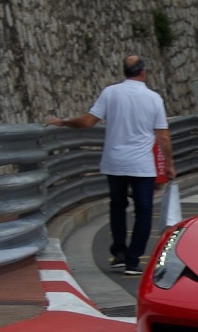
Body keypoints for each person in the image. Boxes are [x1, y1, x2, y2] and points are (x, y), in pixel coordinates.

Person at [46, 55, 173, 275]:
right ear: (143, 72)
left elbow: (87, 122)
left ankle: (119, 254)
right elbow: (162, 136)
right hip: (142, 165)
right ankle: (133, 261)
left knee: (117, 206)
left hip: (114, 162)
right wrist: (169, 163)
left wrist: (63, 122)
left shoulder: (110, 93)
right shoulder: (154, 98)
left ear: (125, 71)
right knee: (144, 210)